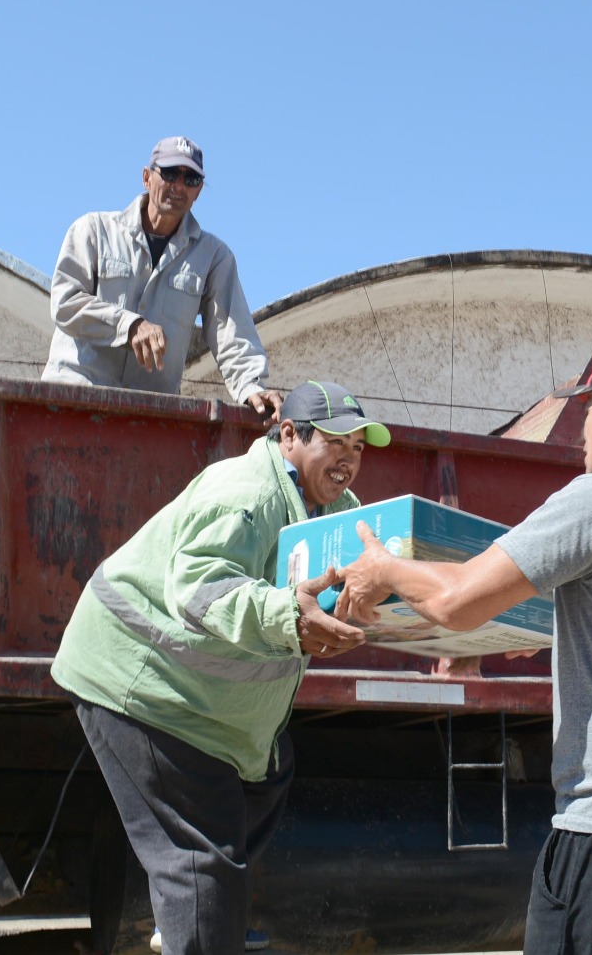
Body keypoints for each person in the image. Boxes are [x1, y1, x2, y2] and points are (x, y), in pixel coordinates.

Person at [336, 344, 592, 955]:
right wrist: (504, 635)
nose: (580, 426)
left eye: (588, 407)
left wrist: (385, 570)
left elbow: (456, 599)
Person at [51, 381, 391, 955]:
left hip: (208, 707)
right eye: (336, 442)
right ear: (289, 436)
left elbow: (375, 559)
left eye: (359, 448)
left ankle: (192, 915)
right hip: (144, 685)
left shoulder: (335, 509)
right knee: (202, 862)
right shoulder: (246, 493)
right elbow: (203, 587)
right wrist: (290, 616)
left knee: (270, 773)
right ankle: (196, 921)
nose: (349, 460)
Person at [42, 136, 282, 419]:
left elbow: (230, 330)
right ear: (146, 177)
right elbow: (65, 303)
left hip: (149, 417)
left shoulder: (214, 257)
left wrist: (250, 386)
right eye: (169, 173)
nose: (179, 186)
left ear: (199, 191)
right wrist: (129, 325)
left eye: (190, 179)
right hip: (71, 402)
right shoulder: (93, 230)